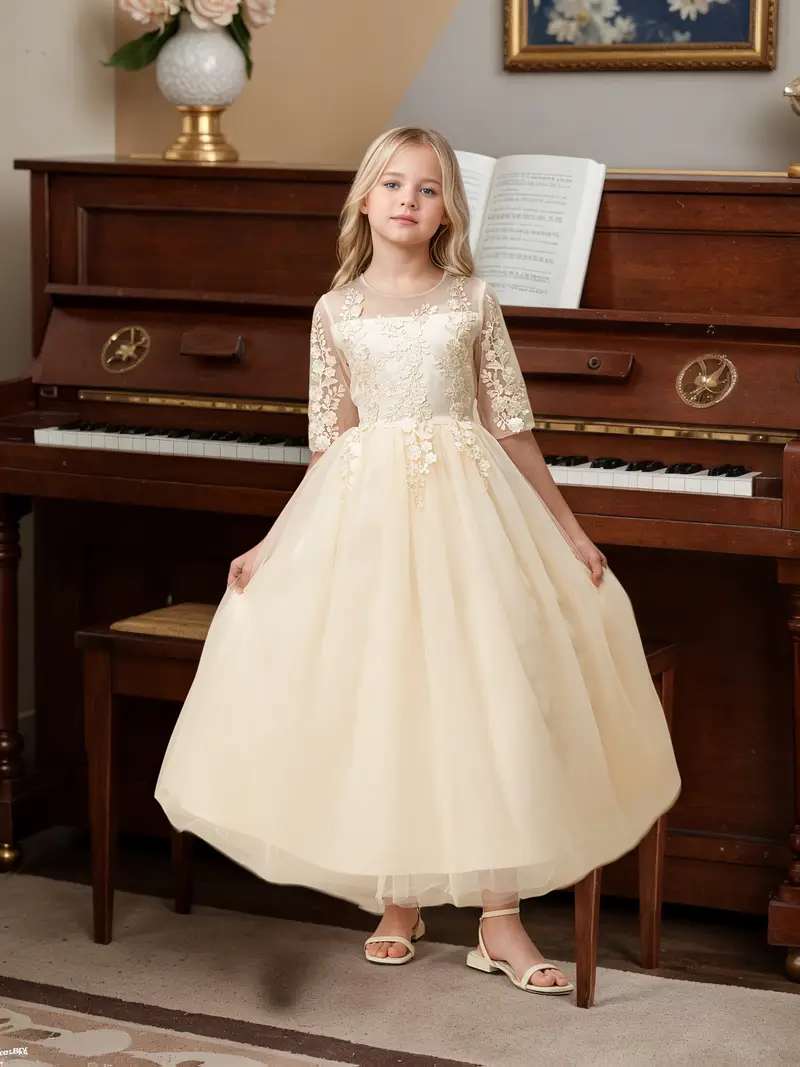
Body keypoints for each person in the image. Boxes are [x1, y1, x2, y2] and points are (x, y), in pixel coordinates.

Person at [154, 125, 681, 997]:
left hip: (470, 518)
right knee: (386, 688)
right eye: (392, 184)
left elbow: (510, 422)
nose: (408, 199)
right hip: (365, 523)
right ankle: (397, 895)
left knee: (487, 688)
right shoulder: (335, 310)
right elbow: (329, 444)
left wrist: (570, 530)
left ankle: (500, 918)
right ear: (364, 197)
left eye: (427, 188)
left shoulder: (472, 298)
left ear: (446, 211)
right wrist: (272, 542)